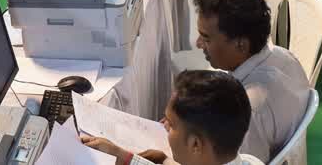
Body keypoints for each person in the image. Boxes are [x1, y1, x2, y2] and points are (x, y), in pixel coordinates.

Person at [192, 0, 309, 162]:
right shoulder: (286, 58)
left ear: (241, 44)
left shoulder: (249, 109)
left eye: (206, 38)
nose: (198, 44)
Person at [81, 70, 254, 165]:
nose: (164, 127)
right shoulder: (249, 161)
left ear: (195, 144)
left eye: (170, 125)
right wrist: (123, 156)